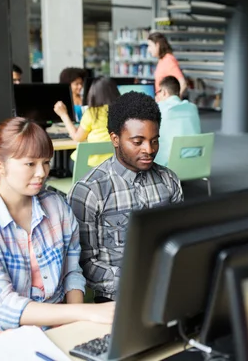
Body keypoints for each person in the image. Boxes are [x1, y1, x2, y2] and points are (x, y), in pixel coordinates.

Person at [0, 117, 114, 341]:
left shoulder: (58, 206)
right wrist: (84, 312)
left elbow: (72, 273)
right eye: (30, 164)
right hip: (1, 337)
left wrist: (75, 327)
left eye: (46, 162)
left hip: (58, 327)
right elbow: (4, 306)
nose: (42, 172)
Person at [68, 92, 183, 303]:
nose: (149, 150)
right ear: (115, 139)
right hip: (118, 298)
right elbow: (84, 263)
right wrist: (138, 282)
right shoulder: (90, 191)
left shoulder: (169, 181)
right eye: (138, 142)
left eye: (154, 141)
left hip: (167, 288)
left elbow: (180, 239)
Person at [54, 76, 120, 167]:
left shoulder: (92, 112)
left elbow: (77, 138)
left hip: (88, 165)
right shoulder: (123, 112)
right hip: (113, 164)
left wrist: (63, 115)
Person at [154, 75, 202, 166]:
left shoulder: (160, 108)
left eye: (158, 92)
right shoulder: (193, 108)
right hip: (195, 163)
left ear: (164, 92)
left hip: (168, 166)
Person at [147, 32, 187, 97]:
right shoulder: (162, 60)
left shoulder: (168, 60)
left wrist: (174, 102)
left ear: (157, 45)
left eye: (150, 46)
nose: (148, 49)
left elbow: (183, 84)